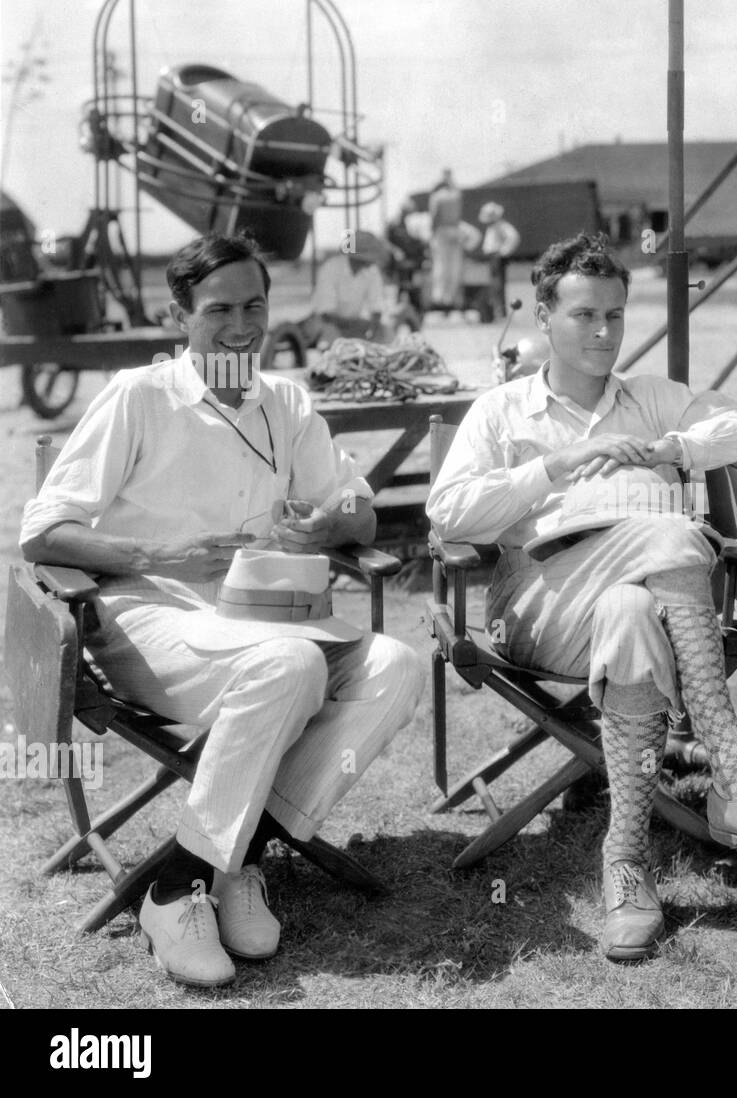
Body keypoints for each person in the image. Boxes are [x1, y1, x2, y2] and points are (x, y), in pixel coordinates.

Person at [427, 233, 737, 962]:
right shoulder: (504, 412)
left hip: (642, 613)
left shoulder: (653, 400)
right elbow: (448, 515)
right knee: (674, 533)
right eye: (585, 315)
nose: (603, 332)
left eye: (616, 315)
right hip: (540, 604)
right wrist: (552, 468)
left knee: (630, 610)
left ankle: (624, 863)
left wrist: (676, 450)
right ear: (542, 316)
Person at [20, 231, 424, 988]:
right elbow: (42, 532)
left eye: (254, 306)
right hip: (149, 619)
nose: (241, 327)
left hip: (266, 618)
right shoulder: (140, 397)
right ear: (180, 316)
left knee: (397, 665)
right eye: (218, 311)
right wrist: (156, 556)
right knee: (292, 665)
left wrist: (329, 525)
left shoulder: (286, 402)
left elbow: (362, 514)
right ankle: (178, 895)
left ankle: (218, 860)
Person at [301, 229, 391, 347]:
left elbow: (376, 306)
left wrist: (372, 329)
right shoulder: (331, 268)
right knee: (331, 340)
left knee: (385, 333)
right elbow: (326, 313)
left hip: (353, 323)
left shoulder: (372, 272)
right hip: (325, 323)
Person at [478, 201, 521, 320]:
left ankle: (500, 311)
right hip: (492, 258)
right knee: (494, 285)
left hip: (497, 257)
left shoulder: (502, 226)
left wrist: (503, 252)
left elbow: (513, 237)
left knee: (498, 285)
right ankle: (496, 310)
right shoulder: (493, 227)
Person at [428, 170, 464, 308]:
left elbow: (435, 216)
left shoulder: (436, 197)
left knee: (441, 264)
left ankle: (439, 297)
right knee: (454, 265)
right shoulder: (456, 195)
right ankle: (450, 297)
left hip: (441, 231)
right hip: (455, 230)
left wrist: (432, 233)